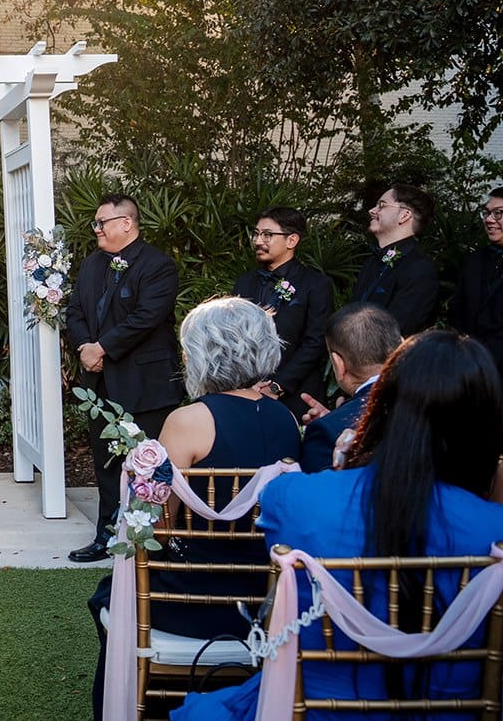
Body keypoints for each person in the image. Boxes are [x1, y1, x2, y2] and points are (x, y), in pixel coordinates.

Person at [173, 331, 503, 720]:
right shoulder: (492, 528)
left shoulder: (293, 498)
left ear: (379, 406)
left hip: (317, 710)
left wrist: (345, 464)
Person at [86, 298, 302, 719]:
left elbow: (157, 524)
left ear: (202, 354)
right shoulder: (285, 420)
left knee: (106, 596)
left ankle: (142, 705)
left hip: (192, 601)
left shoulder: (189, 420)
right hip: (266, 599)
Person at [65, 193, 183, 563]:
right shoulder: (90, 265)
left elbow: (147, 317)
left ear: (126, 224)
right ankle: (106, 534)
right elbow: (75, 311)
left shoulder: (159, 266)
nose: (96, 229)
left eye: (102, 223)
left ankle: (156, 538)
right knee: (106, 464)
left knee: (150, 463)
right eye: (96, 224)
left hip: (146, 385)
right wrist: (86, 345)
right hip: (99, 385)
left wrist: (103, 348)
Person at [231, 206, 332, 419]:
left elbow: (316, 342)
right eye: (256, 234)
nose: (258, 241)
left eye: (267, 235)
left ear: (291, 241)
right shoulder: (244, 282)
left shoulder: (315, 284)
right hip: (247, 393)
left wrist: (277, 386)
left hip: (297, 396)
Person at [298, 304, 400, 473]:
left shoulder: (327, 433)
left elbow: (316, 496)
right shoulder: (437, 403)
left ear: (339, 364)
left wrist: (333, 423)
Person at [349, 183, 439, 335]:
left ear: (404, 215)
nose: (372, 210)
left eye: (382, 205)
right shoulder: (373, 260)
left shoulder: (420, 269)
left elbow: (398, 331)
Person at [451, 185, 503, 368]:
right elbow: (458, 310)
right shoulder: (474, 260)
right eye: (487, 213)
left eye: (498, 213)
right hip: (470, 365)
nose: (489, 220)